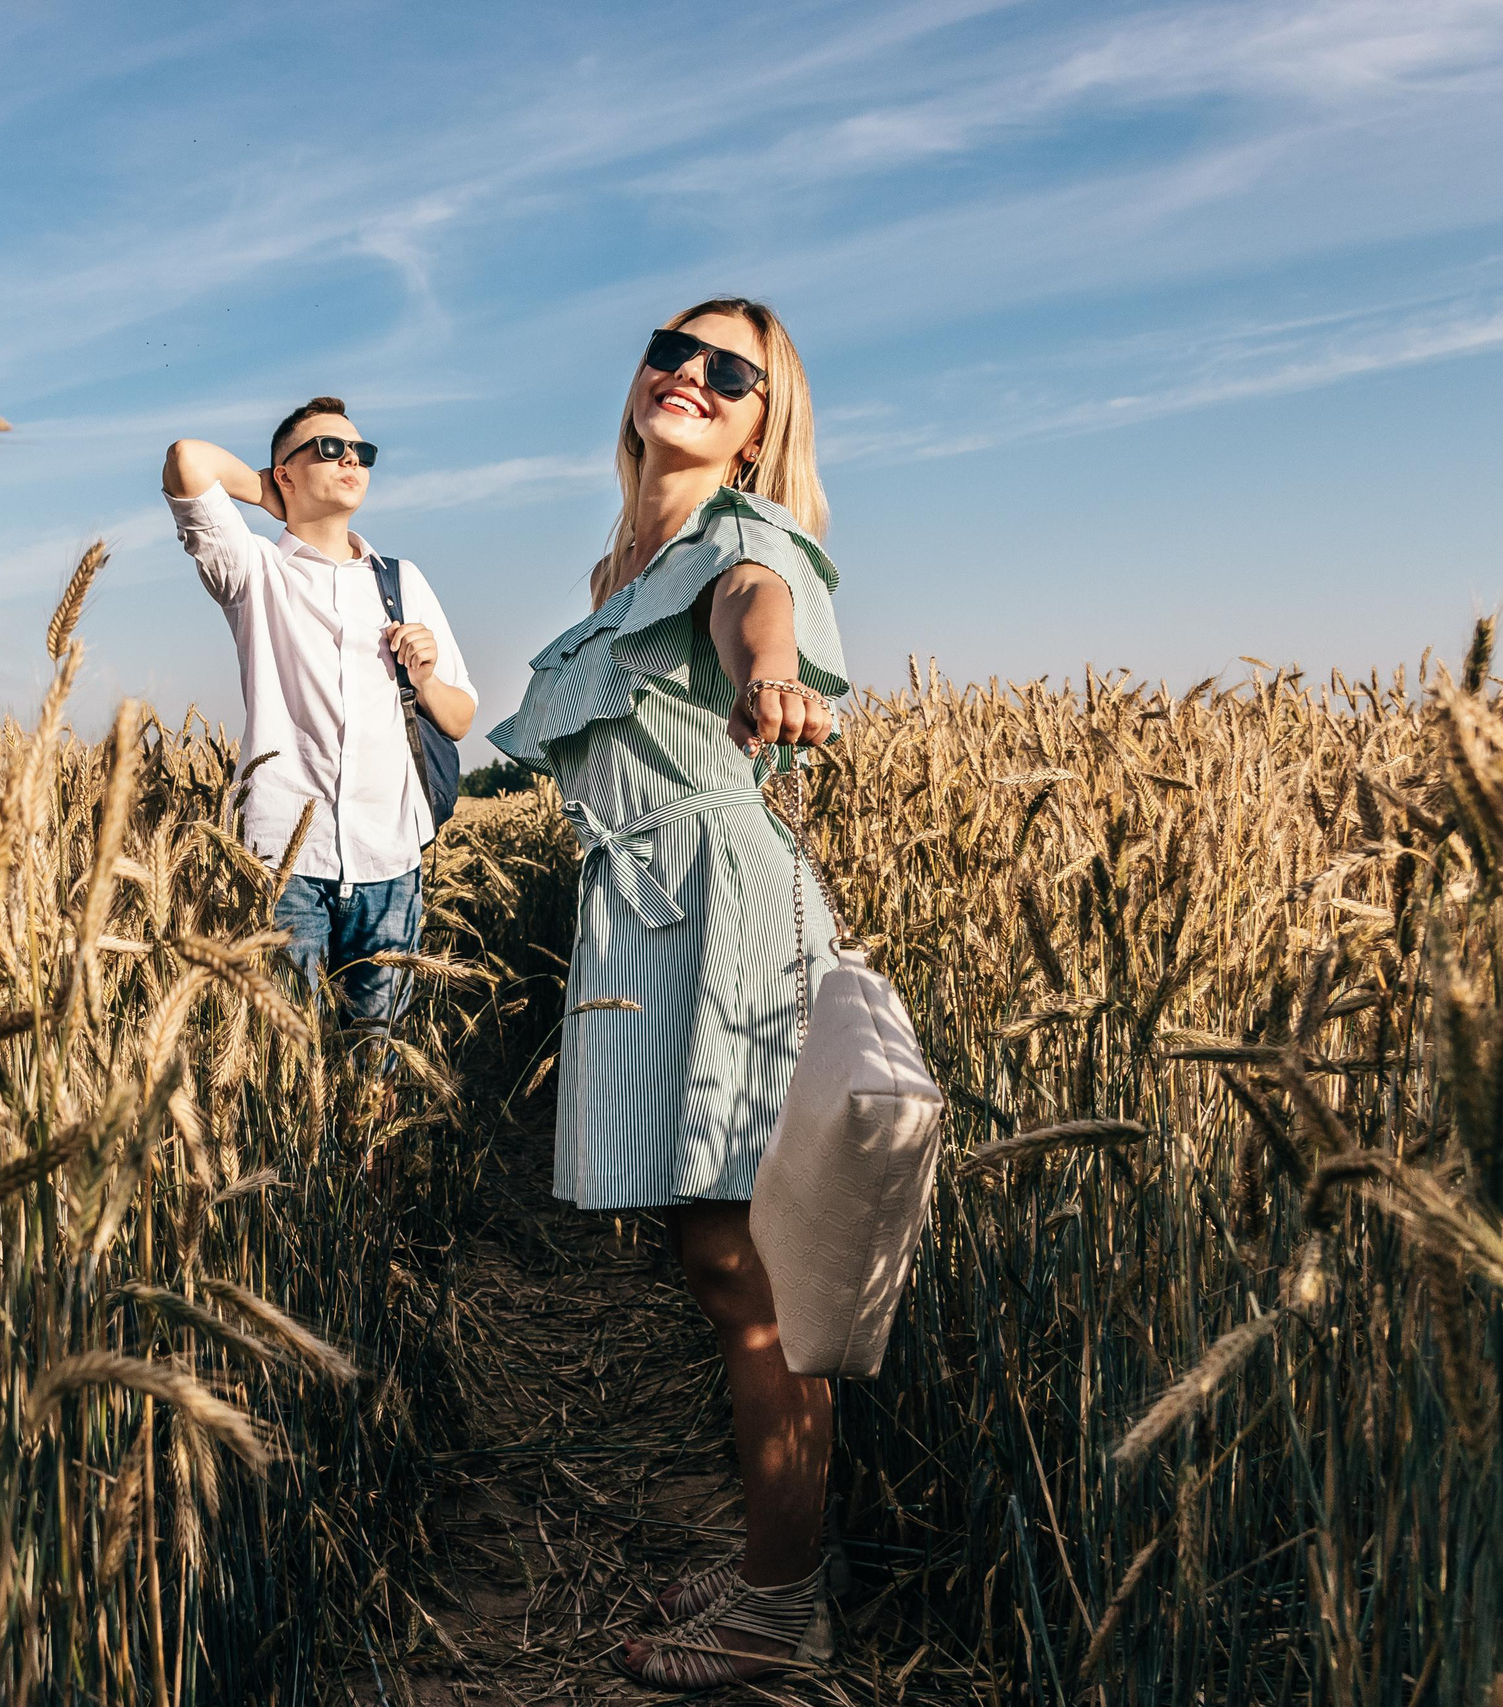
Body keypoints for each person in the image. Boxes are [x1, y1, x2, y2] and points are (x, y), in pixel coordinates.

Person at [485, 299, 846, 1687]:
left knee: (750, 1271)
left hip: (720, 904)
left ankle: (782, 1610)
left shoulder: (740, 539)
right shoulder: (615, 566)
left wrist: (775, 676)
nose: (689, 373)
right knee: (711, 1259)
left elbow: (758, 610)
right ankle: (773, 1558)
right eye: (671, 349)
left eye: (729, 370)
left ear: (760, 425)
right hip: (642, 909)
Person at [162, 399, 476, 1024]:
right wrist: (275, 497)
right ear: (285, 472)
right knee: (287, 1053)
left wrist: (424, 677)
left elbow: (460, 717)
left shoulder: (402, 581)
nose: (351, 459)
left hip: (390, 858)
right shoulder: (255, 570)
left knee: (377, 1056)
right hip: (286, 860)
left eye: (362, 451)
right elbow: (186, 460)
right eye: (330, 449)